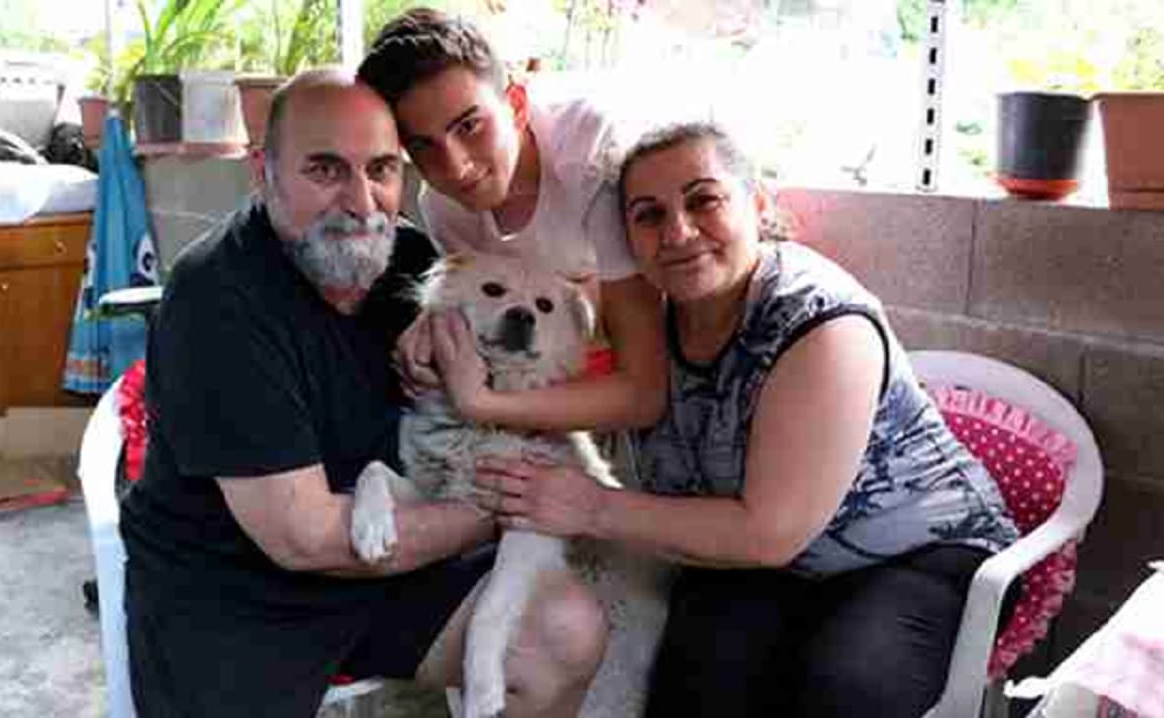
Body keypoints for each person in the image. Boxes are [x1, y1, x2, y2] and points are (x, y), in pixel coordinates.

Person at [474, 122, 1022, 717]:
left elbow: (770, 532)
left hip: (915, 553)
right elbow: (536, 345)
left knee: (845, 690)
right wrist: (439, 353)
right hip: (763, 561)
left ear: (757, 206)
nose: (678, 232)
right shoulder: (649, 319)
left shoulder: (821, 323)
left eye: (703, 199)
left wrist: (591, 506)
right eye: (649, 215)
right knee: (695, 682)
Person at [118, 68, 606, 718]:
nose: (362, 201)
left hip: (390, 557)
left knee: (565, 632)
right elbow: (307, 540)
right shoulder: (217, 300)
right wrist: (506, 507)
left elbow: (523, 338)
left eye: (381, 169)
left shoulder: (405, 258)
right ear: (262, 171)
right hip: (235, 588)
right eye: (326, 170)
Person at [357, 8, 667, 433]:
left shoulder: (589, 153)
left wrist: (480, 404)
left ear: (516, 105)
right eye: (423, 145)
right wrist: (430, 330)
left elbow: (644, 389)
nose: (456, 166)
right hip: (543, 378)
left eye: (469, 126)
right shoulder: (444, 206)